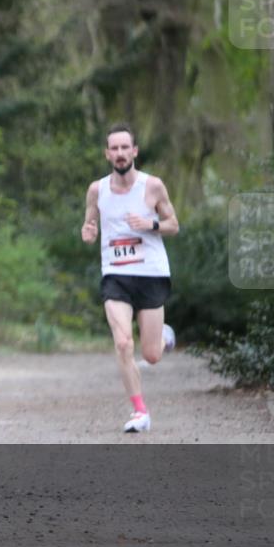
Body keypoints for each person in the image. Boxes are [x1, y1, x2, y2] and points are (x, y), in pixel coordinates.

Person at [81, 123, 179, 433]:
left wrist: (150, 225)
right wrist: (88, 231)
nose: (120, 153)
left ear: (134, 151)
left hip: (150, 273)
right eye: (115, 148)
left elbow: (173, 225)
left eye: (126, 148)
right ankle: (140, 412)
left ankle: (163, 336)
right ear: (107, 154)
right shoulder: (97, 190)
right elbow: (89, 225)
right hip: (116, 275)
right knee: (123, 342)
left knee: (150, 355)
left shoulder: (153, 186)